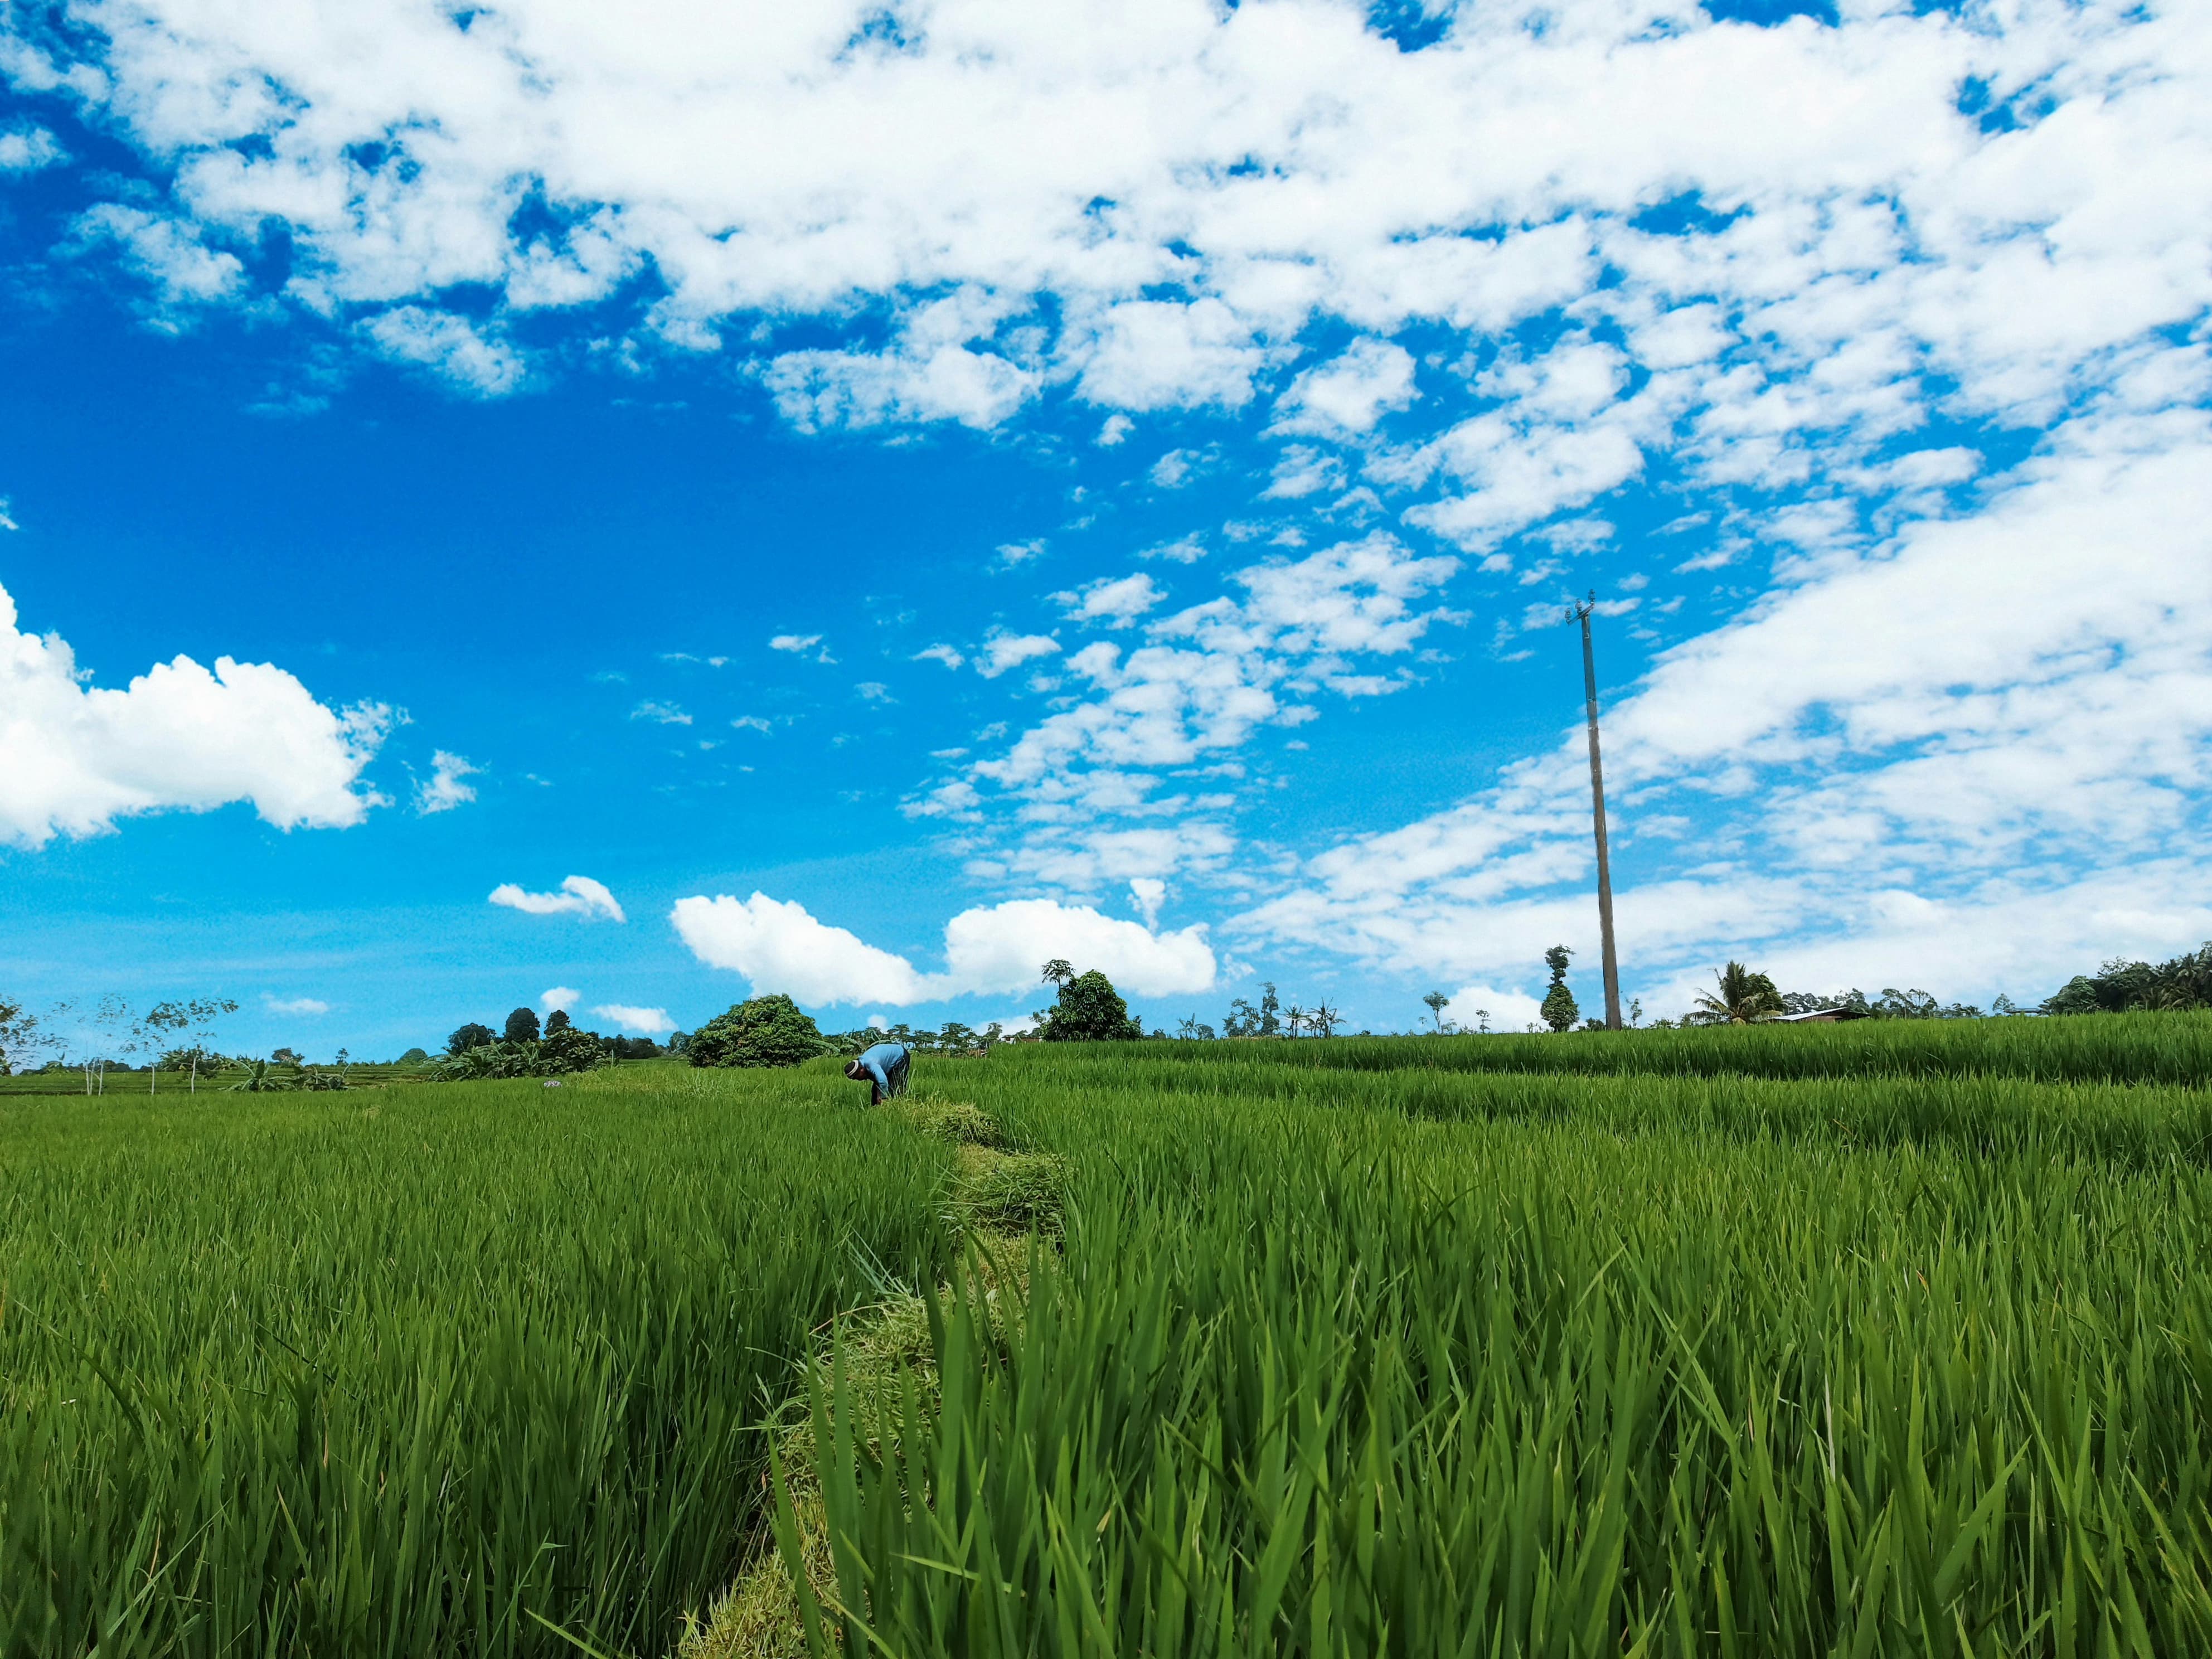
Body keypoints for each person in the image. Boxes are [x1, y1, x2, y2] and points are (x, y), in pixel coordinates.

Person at [845, 1040, 911, 1105]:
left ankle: (897, 1107)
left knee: (895, 1089)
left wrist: (883, 1098)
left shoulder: (870, 1064)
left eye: (857, 1077)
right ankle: (876, 1109)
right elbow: (878, 1082)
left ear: (861, 1070)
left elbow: (882, 1081)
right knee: (875, 1091)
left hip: (900, 1056)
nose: (859, 1080)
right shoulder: (863, 1063)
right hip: (888, 1064)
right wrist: (878, 1096)